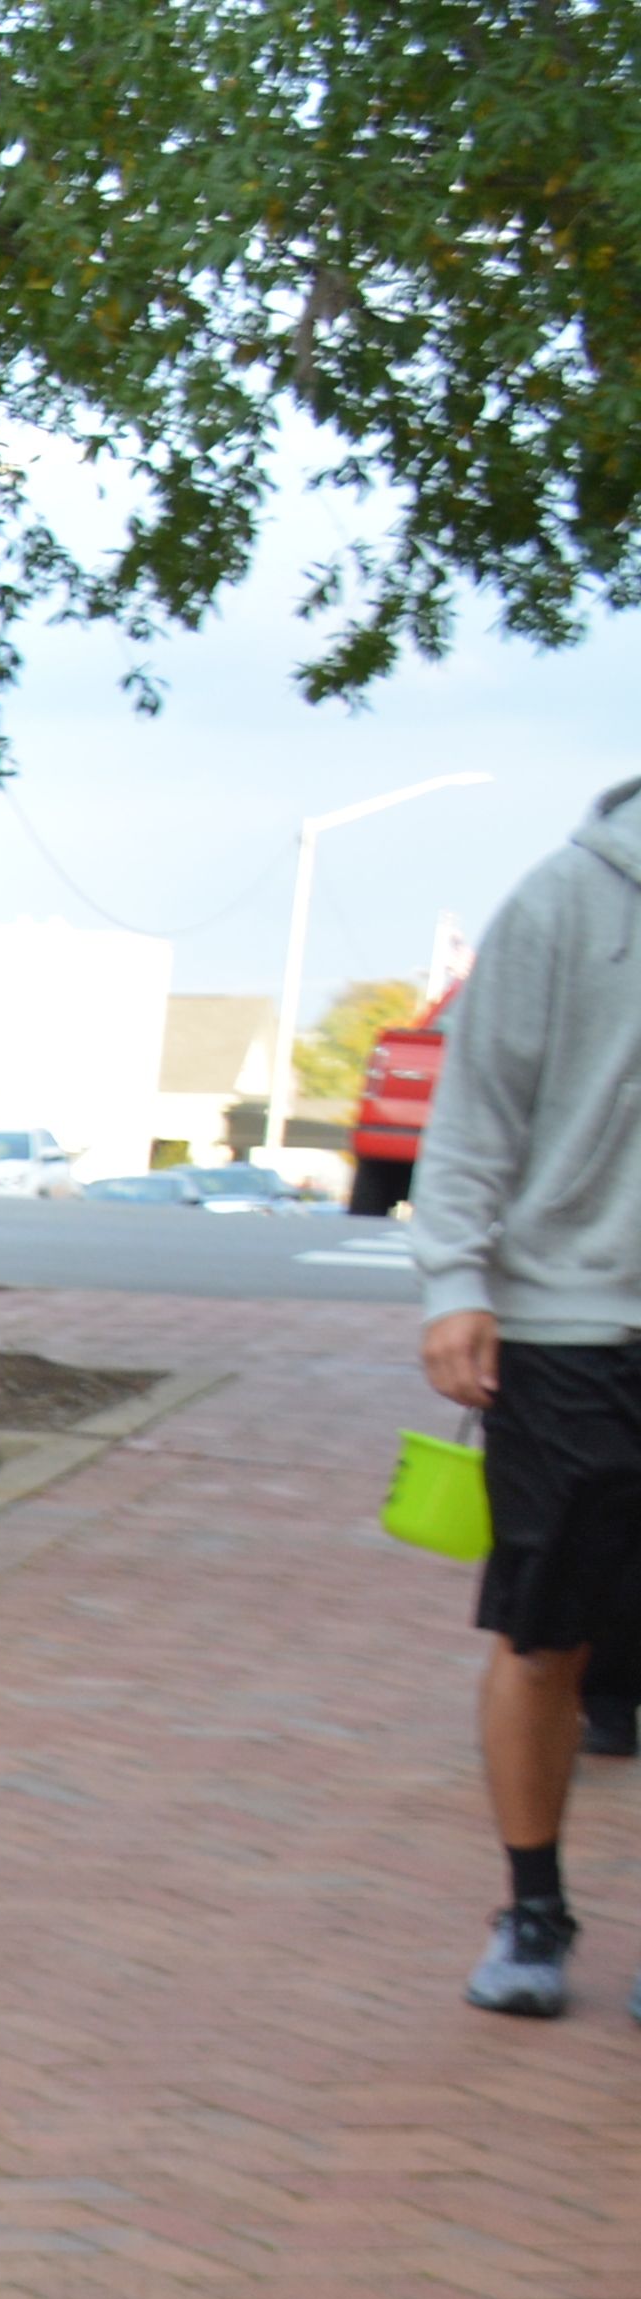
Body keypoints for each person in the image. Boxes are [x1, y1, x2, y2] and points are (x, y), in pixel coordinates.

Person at [409, 777, 641, 2016]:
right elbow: (476, 1109)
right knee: (547, 1634)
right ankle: (534, 1908)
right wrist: (456, 1282)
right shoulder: (566, 897)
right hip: (570, 1322)